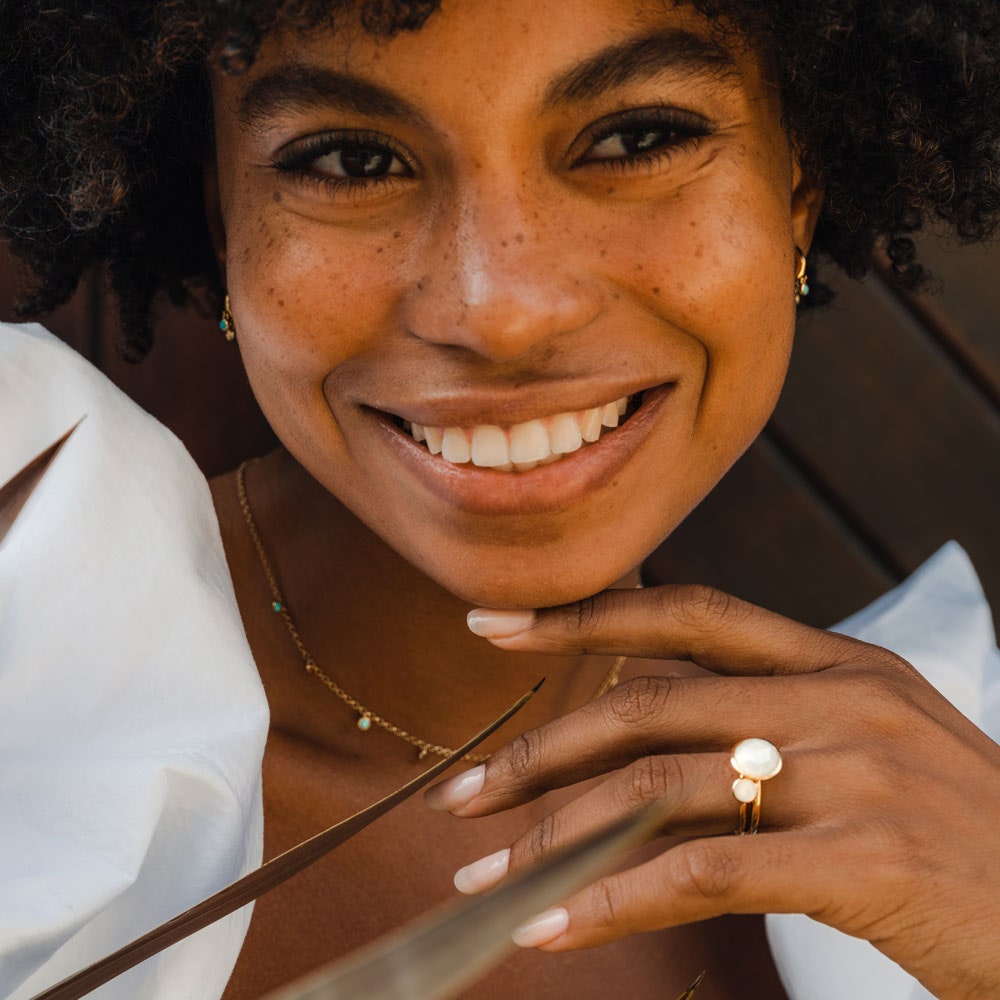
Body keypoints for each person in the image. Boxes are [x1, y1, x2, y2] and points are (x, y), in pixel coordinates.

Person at [1, 1, 999, 998]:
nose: (502, 310)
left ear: (797, 189)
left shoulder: (949, 822)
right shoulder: (29, 690)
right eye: (351, 161)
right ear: (223, 217)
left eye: (635, 139)